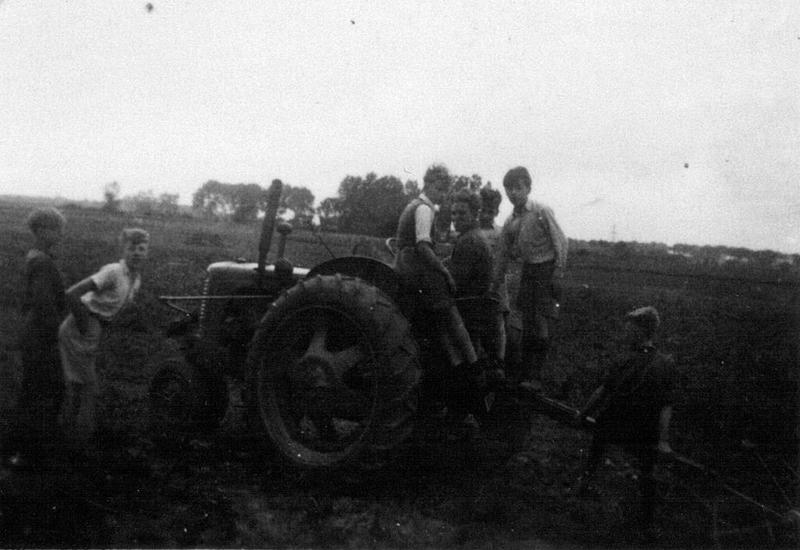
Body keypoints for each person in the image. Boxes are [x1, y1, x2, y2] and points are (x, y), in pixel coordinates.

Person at [394, 165, 482, 421]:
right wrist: (444, 271)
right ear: (429, 184)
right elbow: (423, 246)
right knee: (451, 312)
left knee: (441, 320)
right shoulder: (424, 209)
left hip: (406, 266)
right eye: (440, 189)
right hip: (415, 270)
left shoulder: (414, 205)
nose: (442, 195)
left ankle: (457, 363)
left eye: (445, 190)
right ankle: (472, 365)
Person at [573, 306, 675, 527]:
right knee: (647, 469)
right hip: (642, 433)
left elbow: (603, 391)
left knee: (600, 439)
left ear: (640, 331)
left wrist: (583, 414)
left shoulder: (627, 360)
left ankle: (584, 485)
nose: (626, 333)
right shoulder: (663, 363)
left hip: (618, 426)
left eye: (630, 329)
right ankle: (646, 521)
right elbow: (666, 406)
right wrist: (663, 441)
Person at [59, 227, 150, 444]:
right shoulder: (113, 272)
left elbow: (113, 312)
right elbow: (72, 294)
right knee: (88, 386)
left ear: (147, 252)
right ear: (123, 250)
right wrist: (86, 328)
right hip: (79, 327)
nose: (136, 253)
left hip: (96, 328)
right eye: (132, 248)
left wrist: (99, 333)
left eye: (141, 249)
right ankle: (79, 439)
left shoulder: (135, 279)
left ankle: (67, 434)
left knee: (80, 385)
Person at [491, 166, 567, 392]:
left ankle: (536, 377)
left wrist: (558, 272)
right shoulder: (511, 221)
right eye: (509, 189)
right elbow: (502, 254)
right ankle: (524, 374)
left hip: (546, 269)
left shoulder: (541, 211)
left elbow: (560, 241)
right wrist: (494, 283)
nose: (513, 193)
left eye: (518, 188)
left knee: (539, 321)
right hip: (528, 271)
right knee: (526, 321)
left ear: (528, 188)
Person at [3, 208, 67, 469]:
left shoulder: (37, 258)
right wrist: (58, 333)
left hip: (35, 334)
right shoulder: (42, 263)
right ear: (41, 231)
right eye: (56, 229)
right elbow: (43, 304)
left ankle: (19, 449)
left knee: (34, 391)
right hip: (41, 336)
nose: (61, 234)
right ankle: (25, 453)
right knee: (39, 392)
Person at [449, 189, 503, 379]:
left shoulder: (468, 241)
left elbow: (456, 281)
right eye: (453, 213)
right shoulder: (473, 235)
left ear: (474, 214)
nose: (456, 218)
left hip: (468, 306)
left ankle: (461, 369)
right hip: (476, 304)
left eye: (462, 213)